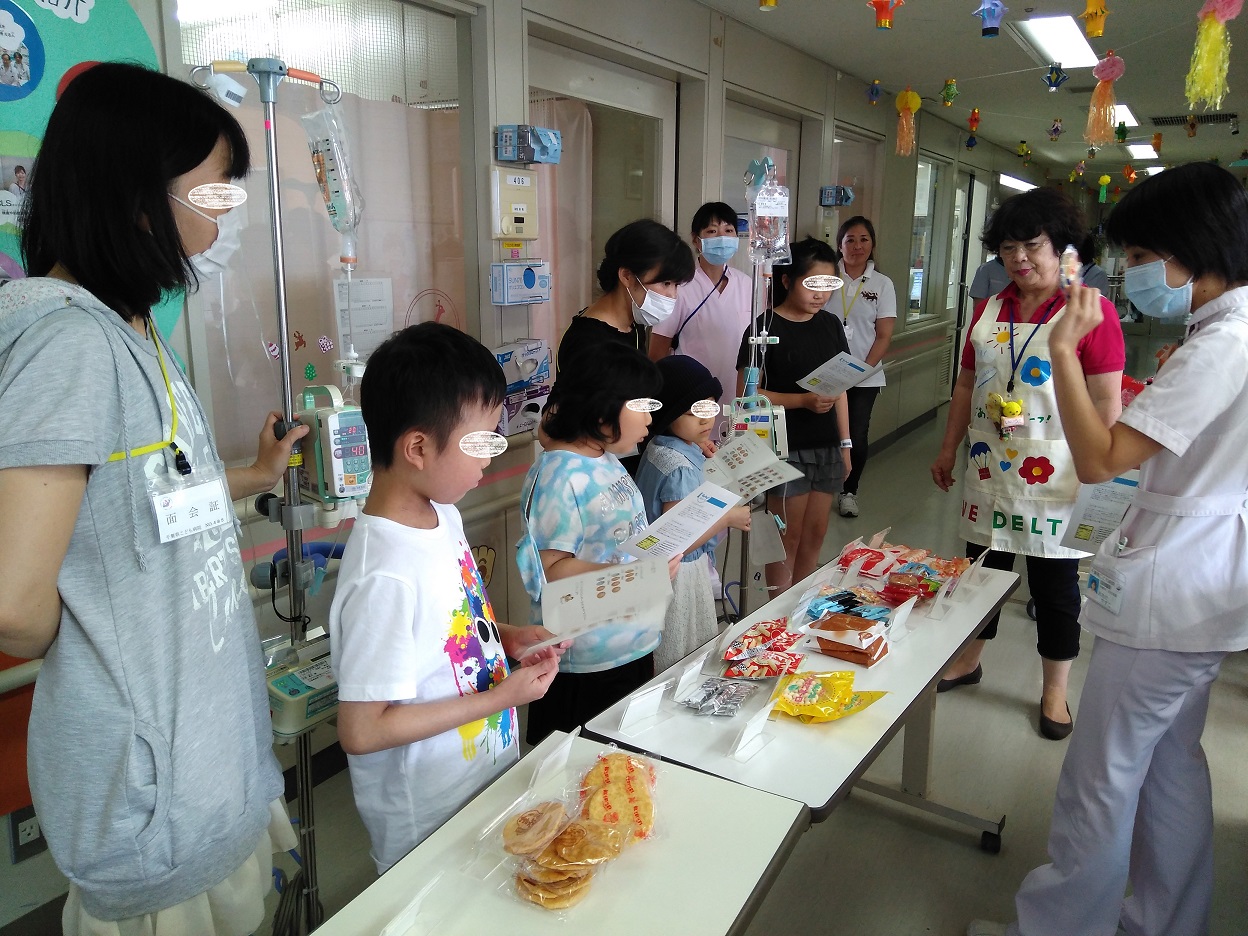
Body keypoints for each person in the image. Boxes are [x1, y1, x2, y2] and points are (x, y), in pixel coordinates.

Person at [0, 63, 306, 935]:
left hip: (210, 775)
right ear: (136, 197)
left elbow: (131, 510)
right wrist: (119, 628)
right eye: (216, 192)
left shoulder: (130, 330)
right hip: (152, 803)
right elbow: (14, 608)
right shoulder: (66, 345)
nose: (226, 214)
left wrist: (249, 477)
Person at [967, 163, 1248, 936]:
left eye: (1141, 252)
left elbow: (1098, 459)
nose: (1132, 270)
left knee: (1102, 775)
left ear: (1190, 246)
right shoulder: (1224, 336)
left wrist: (1063, 351)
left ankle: (1055, 928)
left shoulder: (1225, 344)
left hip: (1170, 589)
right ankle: (1162, 920)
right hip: (1198, 585)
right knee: (1170, 768)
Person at [329, 322, 562, 874]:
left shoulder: (444, 516)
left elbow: (445, 626)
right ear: (417, 447)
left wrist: (506, 637)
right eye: (480, 442)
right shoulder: (383, 574)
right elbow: (362, 730)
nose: (491, 456)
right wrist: (499, 699)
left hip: (483, 775)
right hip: (425, 817)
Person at [930, 187, 1124, 740]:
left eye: (1032, 245)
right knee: (980, 577)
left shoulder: (1092, 312)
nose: (1019, 259)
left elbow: (1107, 403)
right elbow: (966, 381)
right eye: (1008, 249)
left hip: (1059, 473)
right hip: (990, 470)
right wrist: (948, 448)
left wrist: (1101, 476)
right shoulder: (992, 309)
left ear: (1061, 248)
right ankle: (969, 660)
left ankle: (1055, 692)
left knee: (1056, 589)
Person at [517, 343, 680, 744]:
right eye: (640, 406)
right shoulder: (560, 475)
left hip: (631, 643)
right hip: (586, 661)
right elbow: (552, 570)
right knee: (582, 774)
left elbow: (618, 537)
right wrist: (632, 574)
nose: (649, 418)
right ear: (603, 408)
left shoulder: (604, 458)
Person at [736, 236, 851, 594]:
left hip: (825, 444)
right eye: (812, 284)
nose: (821, 295)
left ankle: (801, 607)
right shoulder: (763, 329)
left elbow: (841, 386)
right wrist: (801, 401)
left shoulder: (830, 324)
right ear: (787, 281)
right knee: (788, 536)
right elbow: (747, 394)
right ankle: (777, 613)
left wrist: (845, 444)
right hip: (784, 448)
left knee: (815, 535)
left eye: (828, 286)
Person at [635, 355, 751, 672]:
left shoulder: (660, 447)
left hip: (658, 570)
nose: (705, 421)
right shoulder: (679, 469)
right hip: (681, 575)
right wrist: (727, 518)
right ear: (669, 412)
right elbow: (678, 539)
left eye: (710, 409)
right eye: (693, 413)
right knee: (683, 651)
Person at [648, 202, 751, 443]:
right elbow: (658, 353)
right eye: (712, 231)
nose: (722, 238)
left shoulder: (749, 285)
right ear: (696, 240)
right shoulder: (679, 286)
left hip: (737, 399)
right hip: (692, 404)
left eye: (729, 231)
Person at [825, 215, 897, 518]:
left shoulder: (882, 284)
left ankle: (848, 491)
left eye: (863, 239)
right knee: (822, 431)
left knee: (855, 433)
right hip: (826, 373)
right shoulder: (827, 278)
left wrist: (859, 371)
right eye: (850, 240)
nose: (857, 246)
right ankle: (819, 485)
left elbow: (884, 335)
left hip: (864, 377)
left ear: (873, 245)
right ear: (840, 245)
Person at [556, 217, 694, 371]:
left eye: (676, 285)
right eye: (666, 283)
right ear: (627, 276)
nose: (672, 295)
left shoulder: (631, 325)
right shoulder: (588, 343)